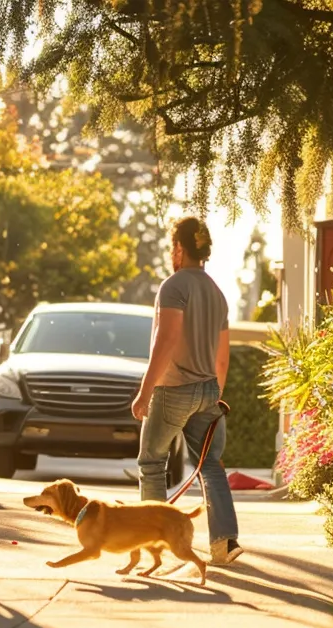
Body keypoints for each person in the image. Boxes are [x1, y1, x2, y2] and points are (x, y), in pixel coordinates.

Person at [131, 216, 244, 565]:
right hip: (208, 390)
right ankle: (224, 544)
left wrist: (145, 390)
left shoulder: (174, 286)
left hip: (173, 390)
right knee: (210, 464)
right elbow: (222, 358)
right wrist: (212, 394)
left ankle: (155, 541)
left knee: (151, 462)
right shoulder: (217, 293)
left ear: (179, 249)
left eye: (172, 247)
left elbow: (166, 341)